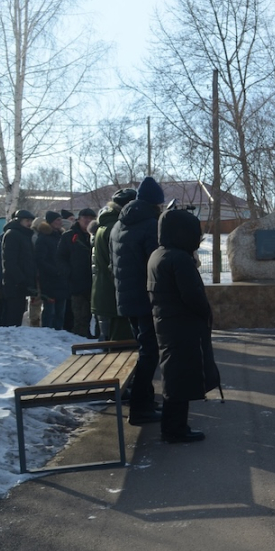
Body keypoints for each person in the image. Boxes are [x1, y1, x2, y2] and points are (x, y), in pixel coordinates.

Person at [147, 207, 221, 443]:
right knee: (180, 376)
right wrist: (205, 312)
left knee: (175, 374)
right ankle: (175, 429)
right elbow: (192, 295)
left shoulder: (159, 254)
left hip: (169, 323)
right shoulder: (179, 259)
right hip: (182, 325)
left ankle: (174, 425)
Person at [110, 176, 165, 425]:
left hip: (127, 297)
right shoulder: (150, 225)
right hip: (145, 298)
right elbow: (155, 263)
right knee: (149, 353)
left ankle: (145, 400)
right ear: (156, 204)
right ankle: (141, 407)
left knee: (144, 350)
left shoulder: (119, 224)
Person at [92, 189, 137, 341]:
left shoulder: (105, 225)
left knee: (109, 339)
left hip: (104, 291)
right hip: (113, 294)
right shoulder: (116, 228)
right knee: (120, 344)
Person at [57, 208, 97, 337]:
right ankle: (81, 338)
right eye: (85, 218)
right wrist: (69, 273)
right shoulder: (69, 236)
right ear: (79, 219)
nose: (88, 221)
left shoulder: (97, 235)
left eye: (91, 218)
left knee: (97, 314)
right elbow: (60, 257)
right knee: (80, 315)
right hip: (77, 282)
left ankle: (97, 337)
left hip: (95, 281)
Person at [1, 210, 38, 327]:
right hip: (14, 283)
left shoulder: (25, 235)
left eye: (31, 221)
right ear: (18, 221)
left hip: (22, 282)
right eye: (27, 221)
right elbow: (10, 261)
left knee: (18, 313)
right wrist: (21, 280)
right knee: (12, 316)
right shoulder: (13, 234)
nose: (29, 223)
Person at [34, 211, 69, 330]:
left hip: (62, 279)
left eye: (60, 220)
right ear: (50, 222)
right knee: (50, 311)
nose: (60, 222)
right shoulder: (43, 238)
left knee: (60, 311)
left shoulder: (61, 236)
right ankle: (47, 333)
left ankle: (58, 332)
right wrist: (55, 271)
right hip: (49, 280)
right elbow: (40, 260)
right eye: (57, 220)